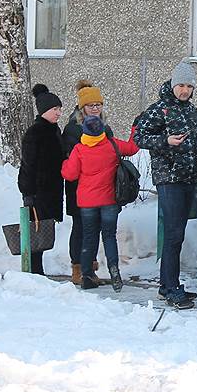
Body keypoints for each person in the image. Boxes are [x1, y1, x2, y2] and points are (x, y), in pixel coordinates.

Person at [134, 61, 197, 309]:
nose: (184, 90)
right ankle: (171, 287)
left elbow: (195, 142)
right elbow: (138, 137)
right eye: (181, 85)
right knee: (174, 234)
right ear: (173, 85)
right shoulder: (160, 109)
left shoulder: (192, 111)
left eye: (188, 86)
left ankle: (167, 285)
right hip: (169, 179)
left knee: (177, 234)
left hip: (189, 178)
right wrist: (166, 141)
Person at [61, 115, 139, 291]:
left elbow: (70, 175)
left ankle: (87, 275)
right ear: (102, 130)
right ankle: (114, 271)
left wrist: (66, 162)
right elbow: (133, 148)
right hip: (110, 200)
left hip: (87, 203)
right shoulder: (112, 145)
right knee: (109, 236)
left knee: (89, 237)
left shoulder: (79, 149)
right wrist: (135, 129)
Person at [61, 79, 111, 286]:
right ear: (82, 108)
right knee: (80, 227)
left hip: (101, 188)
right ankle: (78, 268)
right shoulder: (73, 129)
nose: (95, 109)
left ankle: (89, 268)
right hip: (79, 189)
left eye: (98, 105)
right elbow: (73, 161)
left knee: (94, 228)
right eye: (91, 105)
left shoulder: (105, 127)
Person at [18, 84, 65, 276]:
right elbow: (28, 165)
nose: (59, 113)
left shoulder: (55, 130)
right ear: (44, 110)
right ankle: (35, 270)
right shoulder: (35, 132)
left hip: (51, 190)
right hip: (37, 191)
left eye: (60, 109)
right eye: (55, 109)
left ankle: (38, 270)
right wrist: (28, 193)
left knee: (44, 230)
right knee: (36, 231)